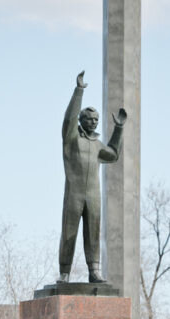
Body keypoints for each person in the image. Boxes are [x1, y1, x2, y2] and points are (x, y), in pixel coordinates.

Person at [57, 70, 127, 284]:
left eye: (96, 120)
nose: (94, 122)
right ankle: (65, 272)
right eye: (89, 119)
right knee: (69, 232)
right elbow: (69, 119)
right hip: (74, 193)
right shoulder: (71, 139)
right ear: (82, 120)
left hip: (93, 195)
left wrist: (119, 128)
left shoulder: (97, 145)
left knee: (93, 233)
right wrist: (79, 91)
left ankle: (94, 271)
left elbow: (114, 154)